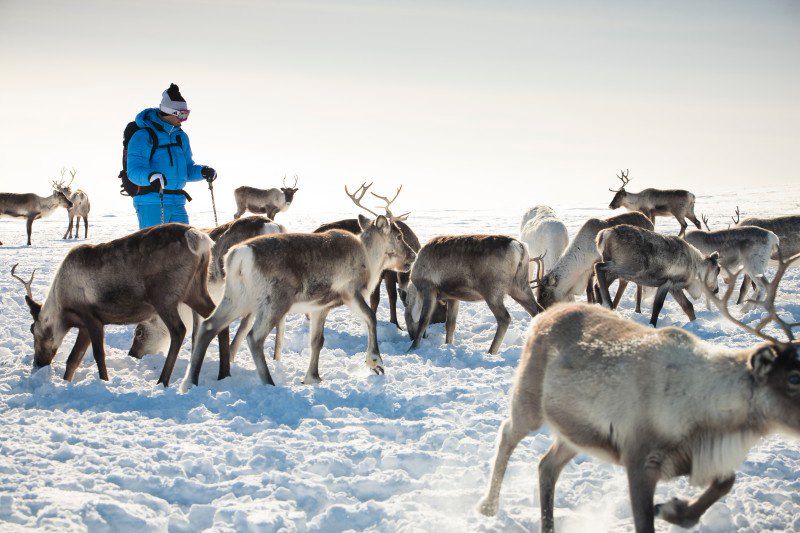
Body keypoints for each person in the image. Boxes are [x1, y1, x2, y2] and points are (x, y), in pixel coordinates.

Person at [126, 83, 216, 228]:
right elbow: (134, 171)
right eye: (181, 115)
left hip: (178, 203)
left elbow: (187, 170)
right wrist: (151, 177)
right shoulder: (143, 136)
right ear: (169, 112)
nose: (183, 119)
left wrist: (202, 171)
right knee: (155, 244)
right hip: (151, 203)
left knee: (185, 243)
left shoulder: (181, 137)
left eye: (186, 114)